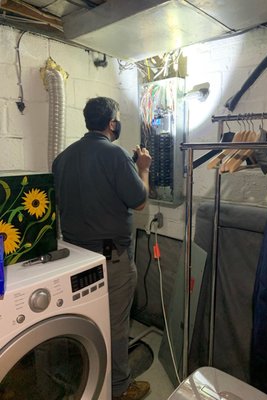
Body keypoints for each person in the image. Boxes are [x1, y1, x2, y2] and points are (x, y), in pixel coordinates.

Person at [52, 96, 152, 400]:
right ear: (112, 123)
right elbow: (139, 201)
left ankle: (84, 381)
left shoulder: (62, 158)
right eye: (118, 118)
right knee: (115, 325)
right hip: (109, 253)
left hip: (73, 255)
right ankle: (119, 389)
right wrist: (143, 168)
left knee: (84, 323)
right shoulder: (117, 155)